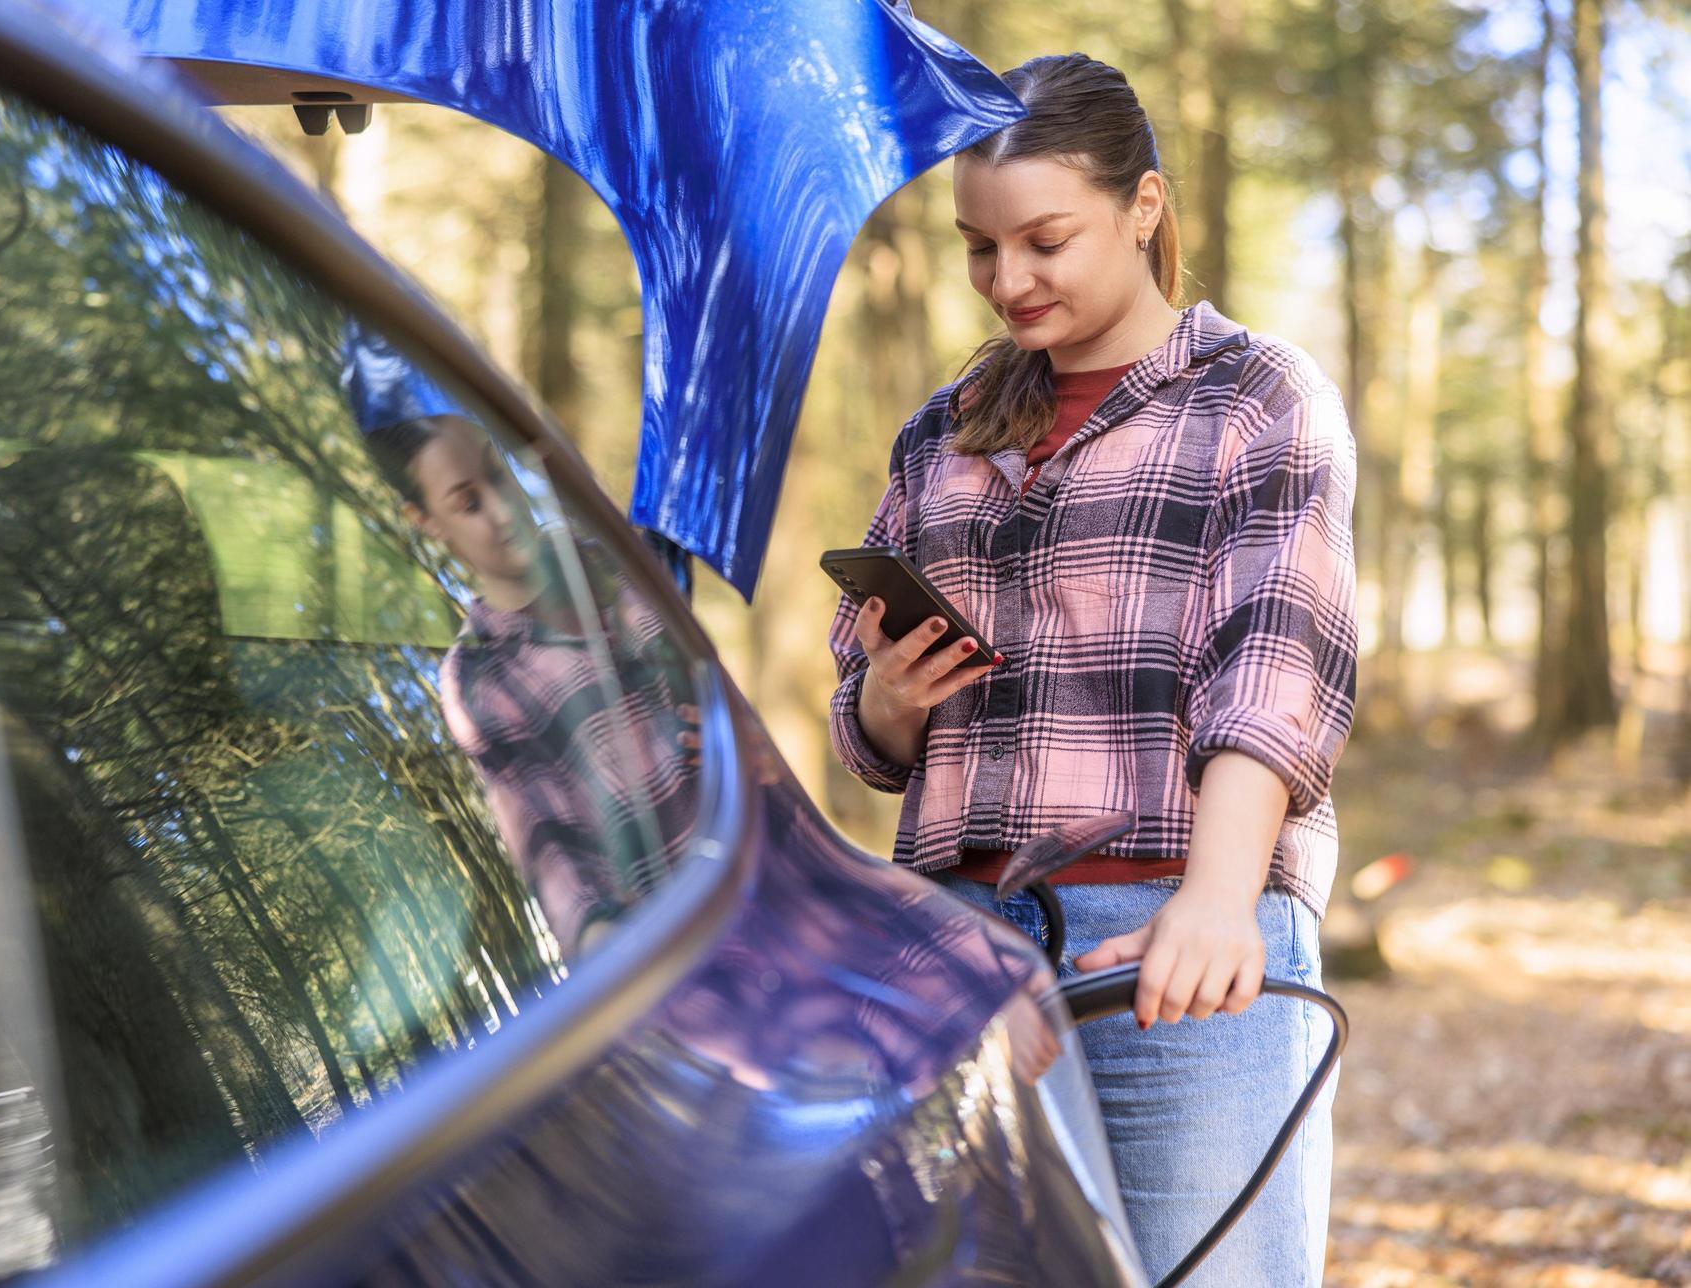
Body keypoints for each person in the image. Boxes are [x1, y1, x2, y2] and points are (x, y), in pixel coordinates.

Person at [826, 53, 1357, 1286]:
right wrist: (886, 700)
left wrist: (1219, 900)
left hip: (1181, 944)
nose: (1006, 280)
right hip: (963, 965)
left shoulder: (1255, 395)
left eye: (1044, 240)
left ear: (1144, 208)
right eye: (976, 247)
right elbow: (863, 731)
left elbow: (1276, 658)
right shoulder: (940, 427)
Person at [368, 414, 697, 957]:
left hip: (773, 871)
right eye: (468, 503)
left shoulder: (617, 556)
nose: (501, 510)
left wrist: (720, 729)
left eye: (497, 475)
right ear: (426, 521)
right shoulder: (478, 677)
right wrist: (605, 946)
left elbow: (716, 700)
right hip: (677, 947)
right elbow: (550, 852)